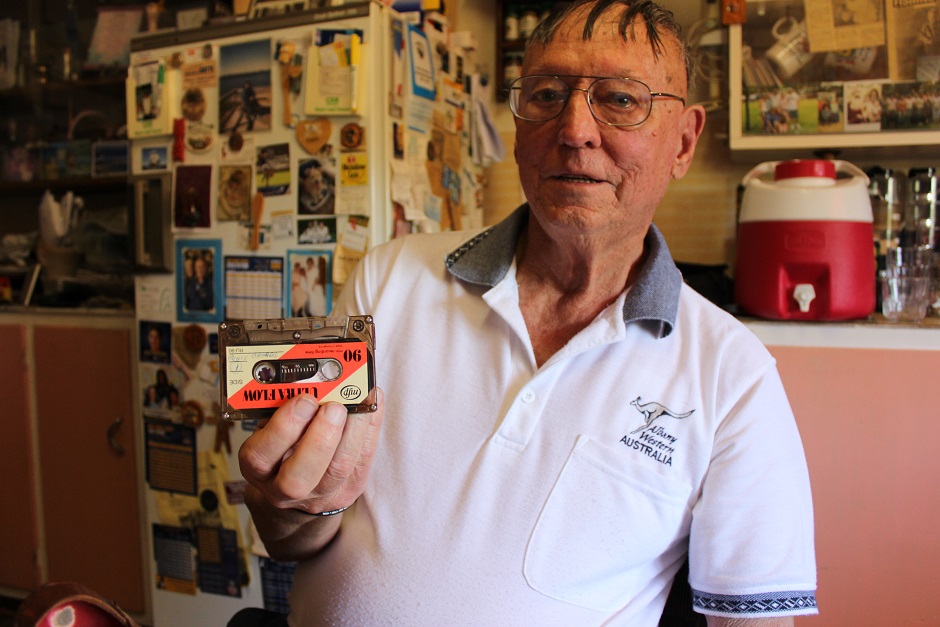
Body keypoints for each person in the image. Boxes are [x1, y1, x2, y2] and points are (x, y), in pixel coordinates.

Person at [237, 1, 817, 625]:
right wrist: (289, 505)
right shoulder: (389, 279)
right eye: (545, 94)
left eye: (621, 100)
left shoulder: (733, 377)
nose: (574, 129)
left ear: (684, 141)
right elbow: (295, 540)